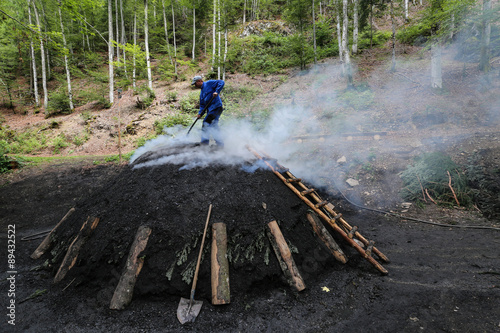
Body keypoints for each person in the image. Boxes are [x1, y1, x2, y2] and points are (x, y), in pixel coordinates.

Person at [191, 75, 225, 147]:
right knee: (214, 125)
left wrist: (217, 91)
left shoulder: (209, 83)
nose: (195, 85)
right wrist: (200, 113)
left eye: (195, 83)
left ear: (199, 81)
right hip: (211, 110)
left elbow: (221, 82)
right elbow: (202, 105)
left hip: (216, 107)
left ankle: (204, 143)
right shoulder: (202, 94)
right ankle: (220, 144)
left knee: (206, 123)